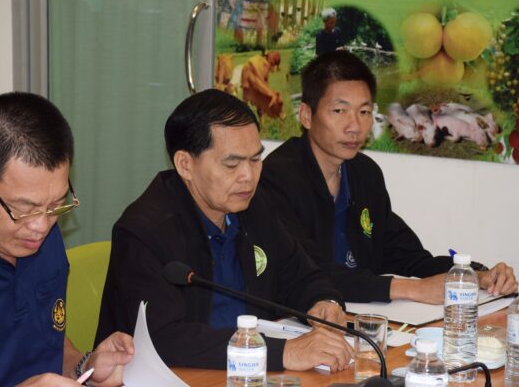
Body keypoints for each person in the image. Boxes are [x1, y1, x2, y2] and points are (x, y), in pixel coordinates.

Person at [95, 89, 354, 372]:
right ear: (185, 164)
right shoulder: (144, 232)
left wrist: (324, 303)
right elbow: (164, 339)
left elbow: (303, 276)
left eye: (255, 160)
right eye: (232, 164)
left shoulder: (254, 207)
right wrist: (281, 353)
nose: (248, 177)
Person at [260, 51, 518, 304]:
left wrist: (473, 275)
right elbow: (307, 272)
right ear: (306, 115)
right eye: (339, 111)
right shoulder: (277, 177)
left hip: (363, 317)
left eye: (364, 112)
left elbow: (408, 257)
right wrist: (412, 289)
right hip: (299, 320)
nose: (354, 126)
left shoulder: (365, 173)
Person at [0, 92, 134, 386]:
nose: (41, 226)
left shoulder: (37, 234)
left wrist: (85, 366)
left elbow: (46, 341)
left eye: (56, 204)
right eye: (23, 208)